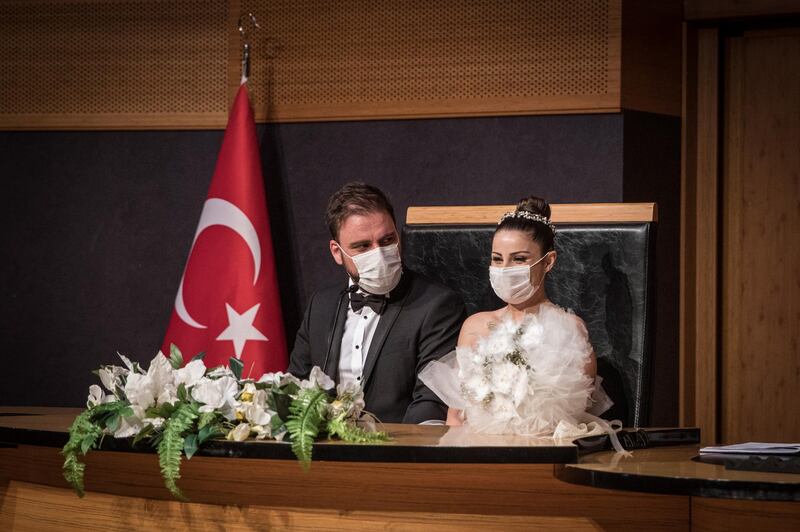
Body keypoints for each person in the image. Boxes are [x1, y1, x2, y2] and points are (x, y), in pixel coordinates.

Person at [420, 196, 620, 443]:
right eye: (497, 259)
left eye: (519, 259)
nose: (505, 269)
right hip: (473, 451)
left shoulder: (568, 330)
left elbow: (569, 419)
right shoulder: (474, 325)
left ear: (548, 261)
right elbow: (456, 415)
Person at [287, 182, 467, 424]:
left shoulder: (437, 305)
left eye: (387, 240)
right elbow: (296, 386)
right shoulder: (321, 305)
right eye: (362, 246)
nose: (379, 253)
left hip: (395, 452)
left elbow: (431, 401)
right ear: (337, 252)